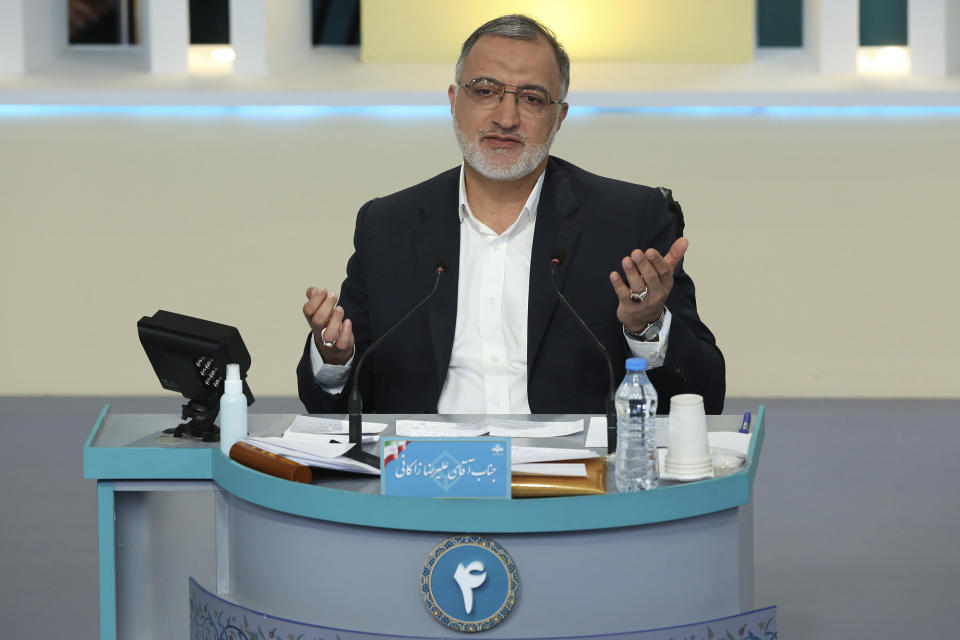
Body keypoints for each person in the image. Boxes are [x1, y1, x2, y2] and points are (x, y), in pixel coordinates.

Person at [297, 14, 724, 415]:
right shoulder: (387, 225)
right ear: (453, 100)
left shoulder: (628, 220)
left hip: (572, 486)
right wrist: (335, 359)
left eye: (532, 99)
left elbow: (706, 395)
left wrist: (647, 328)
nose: (506, 117)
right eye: (485, 90)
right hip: (424, 477)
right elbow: (335, 404)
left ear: (559, 117)